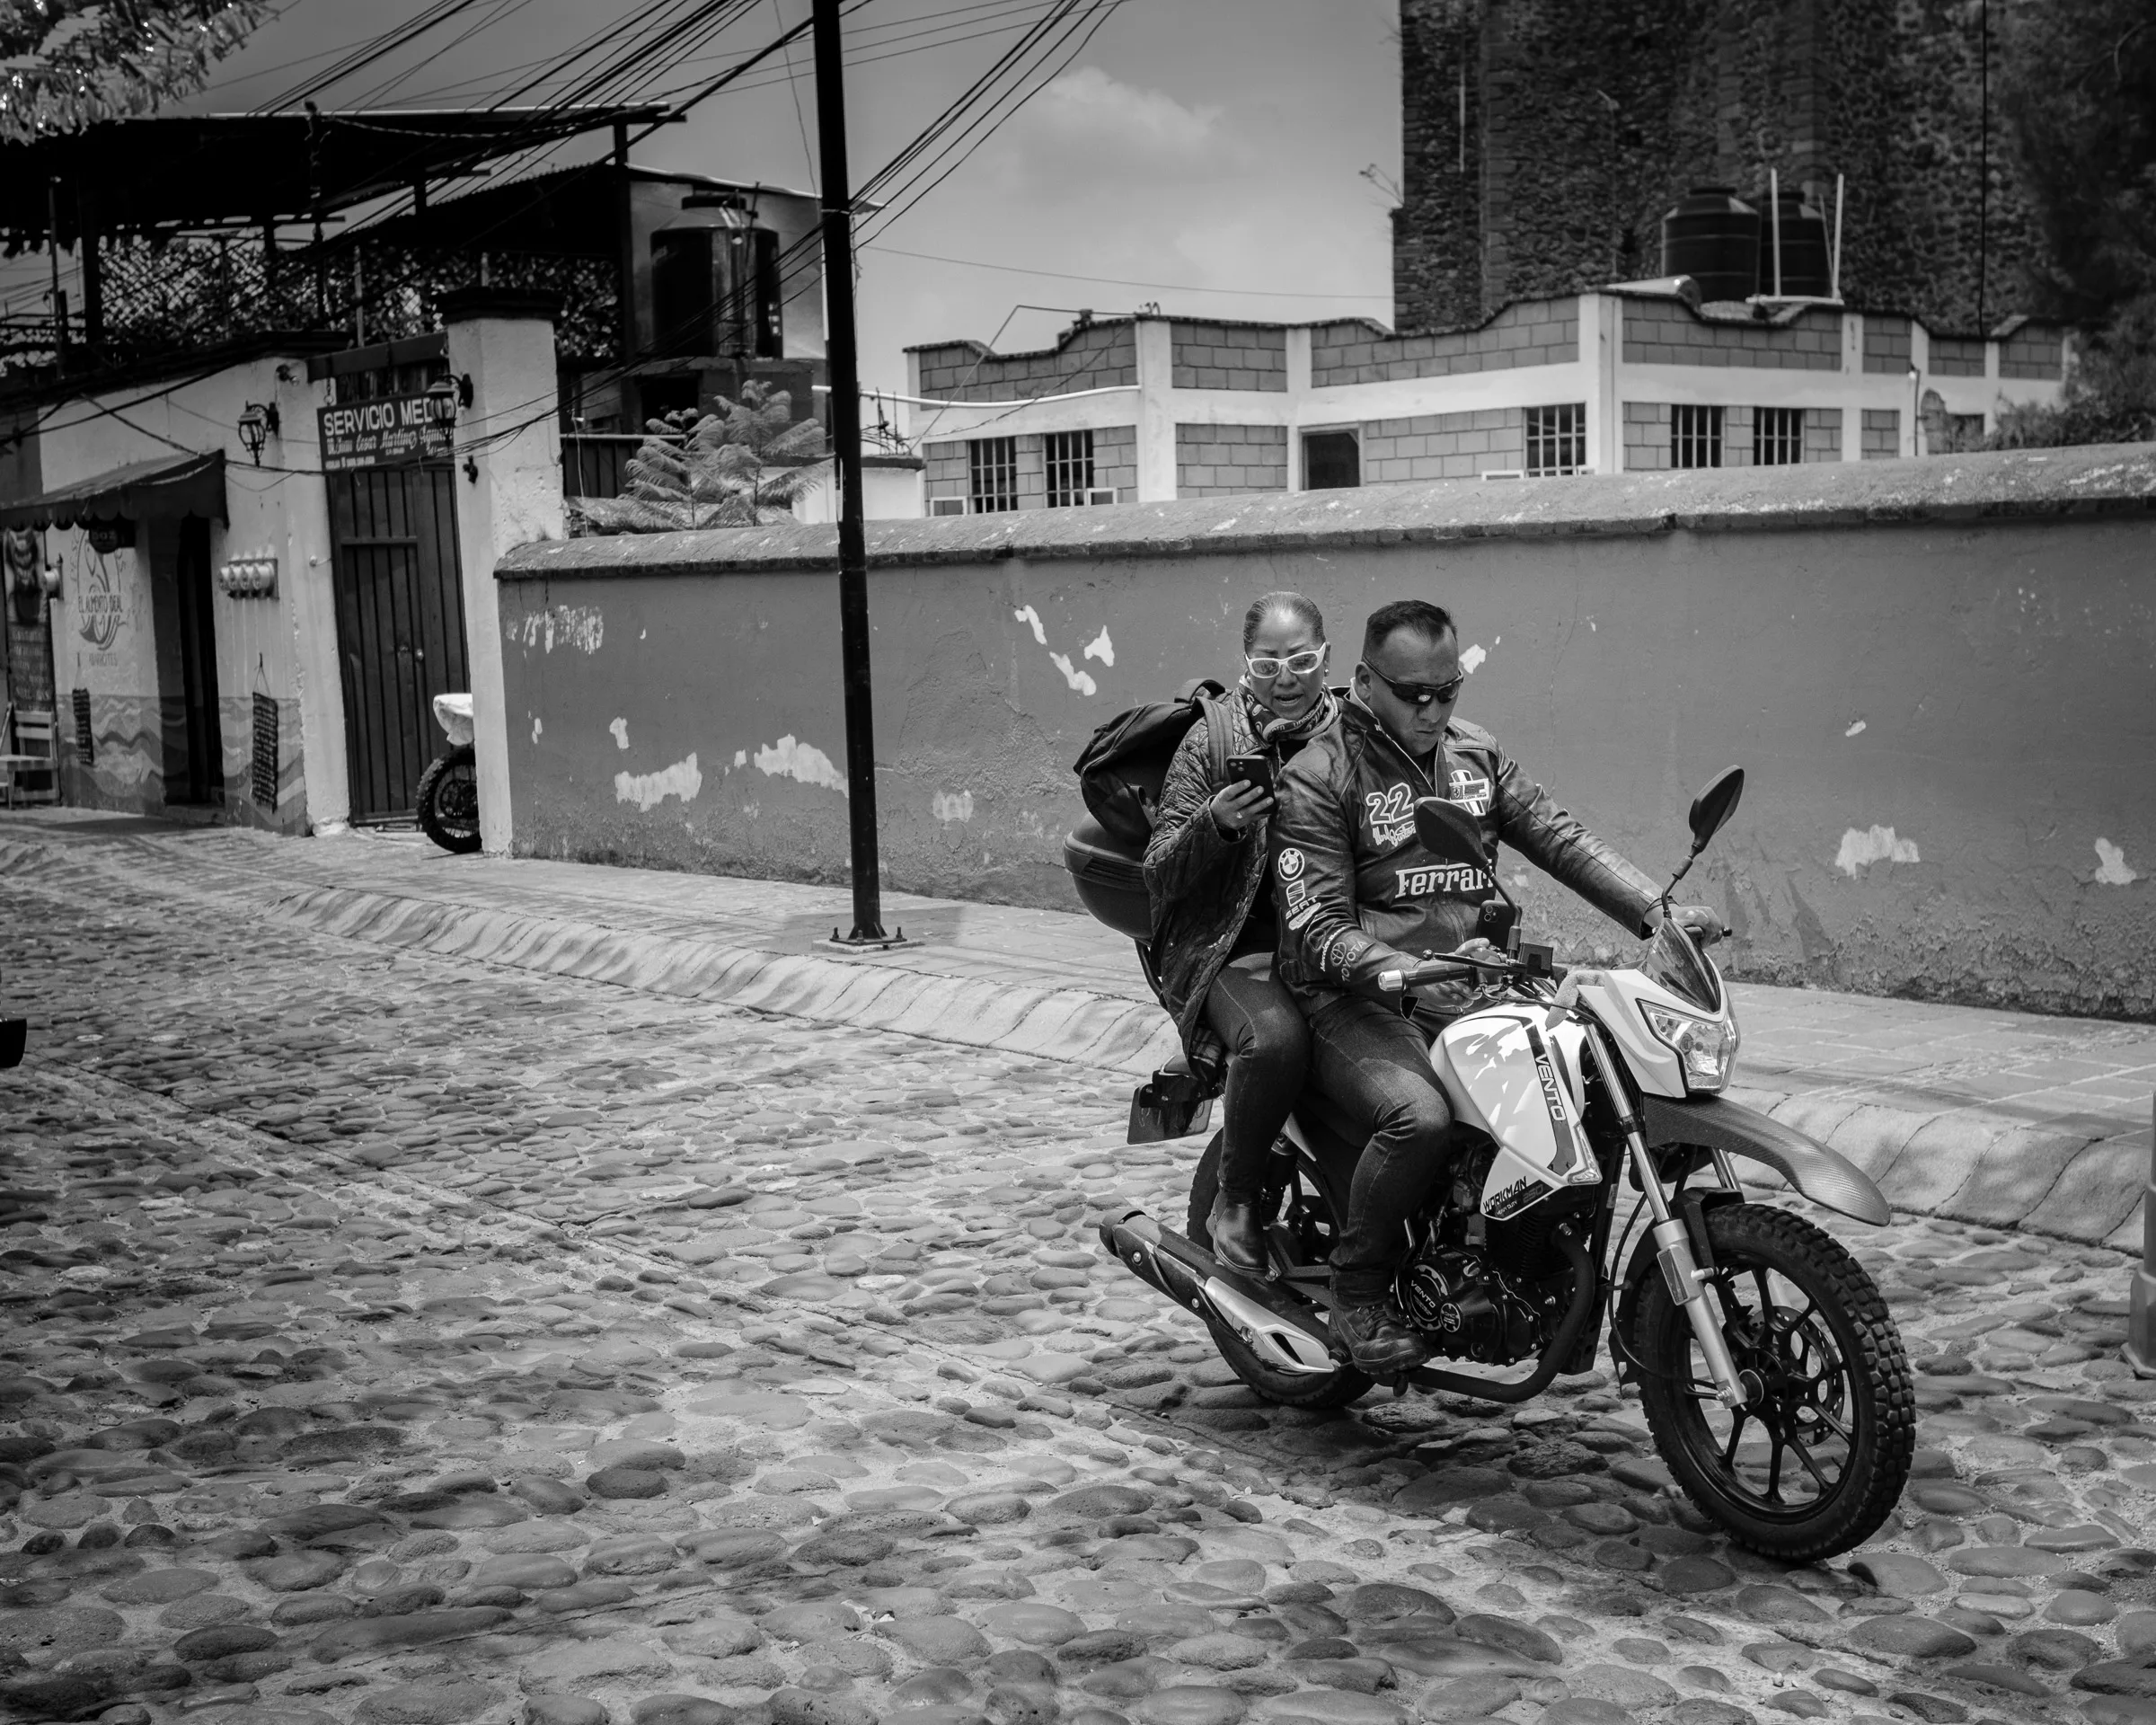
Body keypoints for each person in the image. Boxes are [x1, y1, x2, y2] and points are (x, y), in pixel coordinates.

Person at [1269, 597, 1724, 1372]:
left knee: (1595, 1077)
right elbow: (1314, 922)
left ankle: (1533, 1275)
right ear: (1364, 683)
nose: (1432, 709)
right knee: (1417, 1118)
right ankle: (1358, 1287)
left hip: (1472, 981)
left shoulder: (1474, 757)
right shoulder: (1319, 776)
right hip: (1354, 999)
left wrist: (1661, 914)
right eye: (1413, 693)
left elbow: (1560, 838)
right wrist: (1403, 972)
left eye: (1446, 691)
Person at [1144, 591, 1341, 1274]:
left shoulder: (1356, 735)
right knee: (1276, 1040)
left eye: (1301, 661)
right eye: (1267, 664)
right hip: (1232, 948)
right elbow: (1159, 872)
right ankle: (1237, 1201)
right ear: (1246, 664)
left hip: (1339, 940)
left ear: (1327, 660)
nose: (1285, 679)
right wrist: (1217, 823)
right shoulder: (1215, 740)